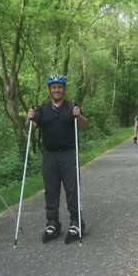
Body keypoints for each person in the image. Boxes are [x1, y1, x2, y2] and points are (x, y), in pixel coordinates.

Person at [27, 75, 88, 244]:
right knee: (51, 190)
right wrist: (30, 118)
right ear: (49, 90)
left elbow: (84, 125)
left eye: (59, 87)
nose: (57, 90)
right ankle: (52, 222)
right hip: (49, 155)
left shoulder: (72, 107)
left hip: (68, 154)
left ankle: (76, 222)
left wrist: (78, 116)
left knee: (72, 189)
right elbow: (31, 127)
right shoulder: (43, 109)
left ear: (64, 89)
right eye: (53, 87)